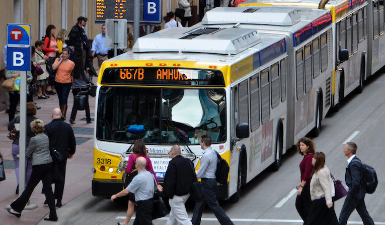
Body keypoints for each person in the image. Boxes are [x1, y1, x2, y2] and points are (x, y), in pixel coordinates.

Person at [7, 119, 57, 221]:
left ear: (33, 128)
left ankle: (17, 208)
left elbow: (28, 153)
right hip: (48, 164)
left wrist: (26, 155)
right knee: (48, 190)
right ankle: (53, 214)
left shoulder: (34, 139)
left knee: (29, 188)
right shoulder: (46, 137)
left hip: (38, 166)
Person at [192, 135, 234, 225]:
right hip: (210, 181)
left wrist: (192, 179)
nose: (200, 143)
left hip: (207, 182)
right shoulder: (213, 152)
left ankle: (228, 223)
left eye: (200, 142)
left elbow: (201, 171)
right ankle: (194, 223)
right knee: (199, 203)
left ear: (203, 143)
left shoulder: (206, 156)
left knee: (214, 205)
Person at [118, 139, 162, 225]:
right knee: (140, 204)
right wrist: (158, 184)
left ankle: (126, 222)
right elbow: (152, 172)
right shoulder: (147, 159)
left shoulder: (132, 157)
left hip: (135, 183)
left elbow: (128, 170)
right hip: (145, 184)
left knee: (131, 203)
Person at [112, 157, 158, 225]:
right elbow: (155, 187)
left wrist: (115, 196)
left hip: (143, 206)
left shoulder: (138, 178)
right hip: (148, 203)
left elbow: (126, 191)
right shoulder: (150, 174)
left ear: (137, 165)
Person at [45, 108, 76, 208]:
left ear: (52, 115)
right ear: (61, 115)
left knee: (48, 177)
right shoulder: (67, 127)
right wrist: (71, 152)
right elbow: (72, 141)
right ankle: (59, 200)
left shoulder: (48, 127)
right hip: (62, 156)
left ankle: (48, 198)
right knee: (61, 178)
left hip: (50, 156)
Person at [339, 142, 375, 225]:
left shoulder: (354, 164)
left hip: (354, 194)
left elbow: (356, 182)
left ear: (349, 151)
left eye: (345, 148)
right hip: (359, 194)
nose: (343, 150)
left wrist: (351, 193)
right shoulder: (357, 161)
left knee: (343, 216)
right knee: (364, 215)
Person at [8, 102, 38, 194]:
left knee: (18, 165)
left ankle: (20, 184)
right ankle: (26, 185)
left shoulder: (18, 118)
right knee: (29, 166)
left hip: (17, 144)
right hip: (30, 146)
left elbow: (9, 127)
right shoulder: (36, 121)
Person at [163, 145, 194, 225]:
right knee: (172, 217)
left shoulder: (173, 163)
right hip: (186, 193)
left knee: (183, 219)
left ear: (172, 153)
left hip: (176, 196)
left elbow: (170, 180)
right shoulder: (188, 161)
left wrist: (168, 194)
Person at [306, 152, 338, 225]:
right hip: (322, 199)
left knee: (311, 220)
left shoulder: (321, 172)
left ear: (318, 161)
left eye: (314, 158)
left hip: (321, 199)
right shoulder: (321, 169)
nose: (312, 159)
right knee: (327, 220)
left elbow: (326, 187)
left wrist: (329, 202)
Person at [295, 137, 315, 225]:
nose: (301, 147)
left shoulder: (309, 157)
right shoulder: (306, 157)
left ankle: (309, 222)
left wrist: (301, 186)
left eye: (303, 145)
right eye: (300, 145)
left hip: (307, 186)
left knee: (304, 206)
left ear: (308, 146)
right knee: (301, 205)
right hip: (305, 185)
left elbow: (307, 173)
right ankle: (307, 222)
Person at [52, 48, 75, 120]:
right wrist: (61, 60)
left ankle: (63, 114)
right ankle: (61, 111)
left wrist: (73, 84)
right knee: (60, 98)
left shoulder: (71, 63)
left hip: (67, 82)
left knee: (64, 97)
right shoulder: (57, 60)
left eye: (66, 54)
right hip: (58, 82)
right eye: (63, 54)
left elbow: (71, 73)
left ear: (68, 55)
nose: (64, 55)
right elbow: (54, 68)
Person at [68, 16, 87, 84]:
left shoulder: (81, 29)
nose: (85, 23)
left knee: (80, 66)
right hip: (75, 50)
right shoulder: (75, 29)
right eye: (84, 21)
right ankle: (75, 81)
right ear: (80, 21)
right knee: (75, 66)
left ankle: (80, 80)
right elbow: (71, 39)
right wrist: (73, 48)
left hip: (79, 50)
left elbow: (82, 39)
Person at [43, 24, 58, 95]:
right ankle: (48, 87)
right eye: (53, 29)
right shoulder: (47, 38)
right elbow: (44, 48)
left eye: (54, 29)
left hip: (54, 56)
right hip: (49, 56)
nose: (54, 31)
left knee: (53, 72)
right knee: (50, 71)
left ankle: (51, 86)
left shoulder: (54, 37)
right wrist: (53, 49)